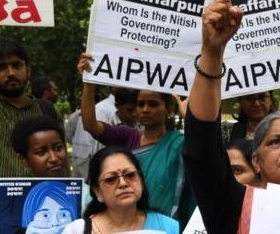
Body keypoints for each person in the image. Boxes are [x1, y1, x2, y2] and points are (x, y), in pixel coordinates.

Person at [183, 0, 280, 233]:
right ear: (255, 161)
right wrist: (212, 51)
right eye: (276, 141)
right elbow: (201, 149)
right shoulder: (232, 203)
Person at [78, 54, 195, 223]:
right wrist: (88, 82)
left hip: (166, 224)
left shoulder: (180, 143)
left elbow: (205, 157)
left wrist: (191, 120)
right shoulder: (127, 136)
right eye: (141, 104)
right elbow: (90, 124)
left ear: (169, 110)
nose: (145, 109)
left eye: (153, 104)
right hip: (127, 221)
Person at [62, 146, 179, 234]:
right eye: (111, 179)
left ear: (141, 180)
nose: (123, 183)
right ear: (98, 192)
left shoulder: (169, 227)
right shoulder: (78, 230)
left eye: (130, 175)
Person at [0, 37, 61, 177]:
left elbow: (61, 165)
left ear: (28, 70)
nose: (11, 73)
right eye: (1, 67)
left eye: (16, 65)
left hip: (42, 196)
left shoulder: (48, 111)